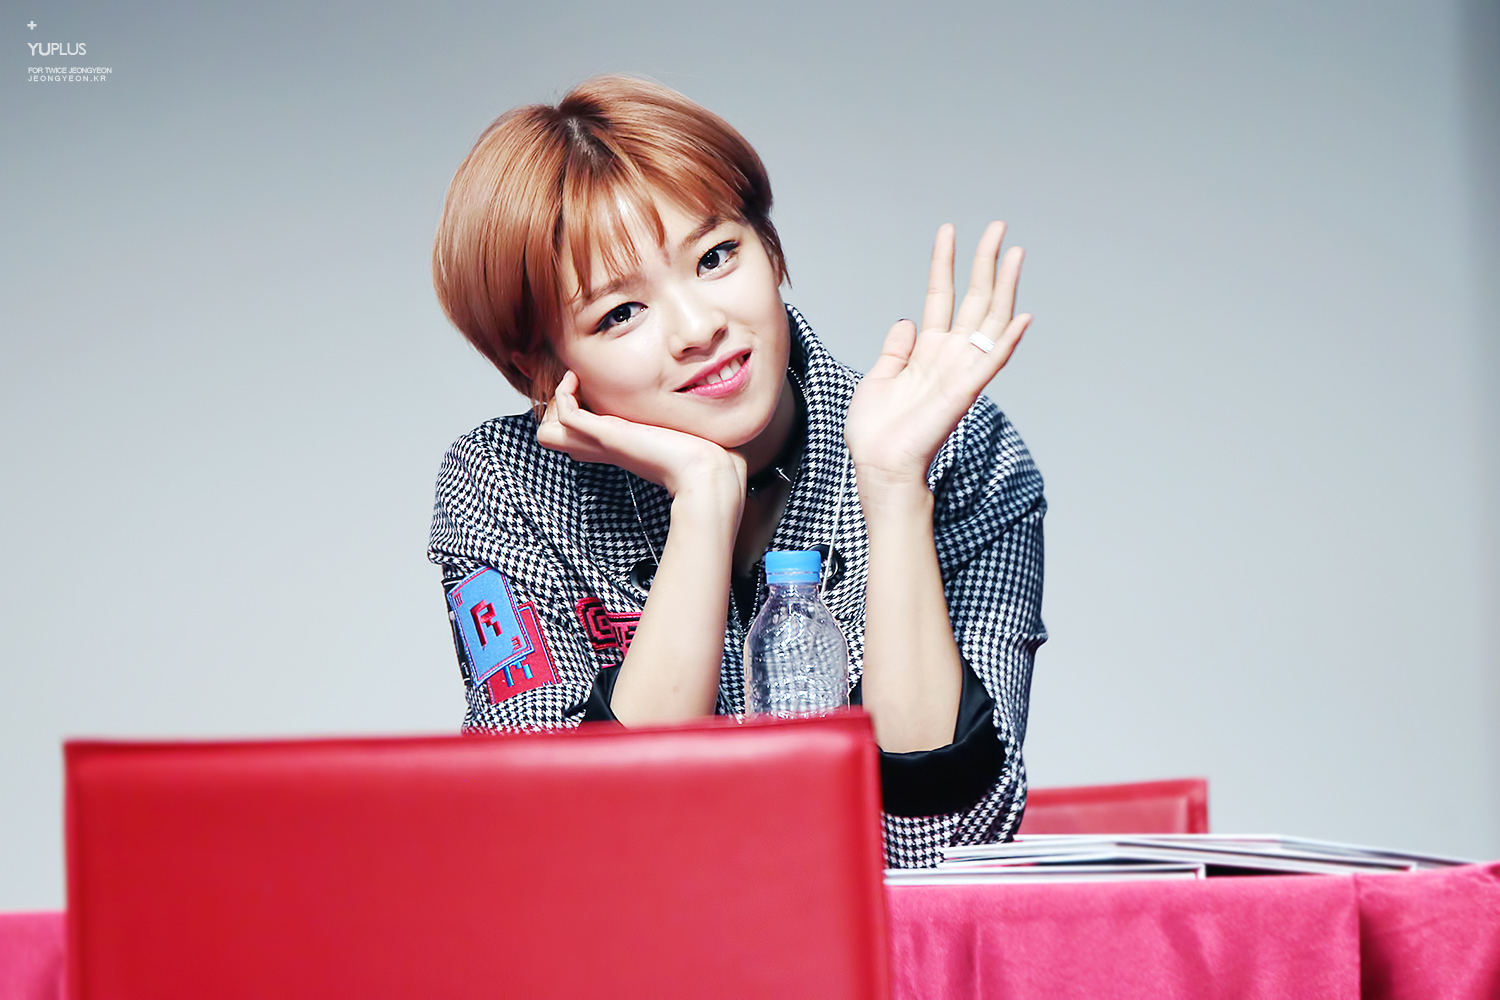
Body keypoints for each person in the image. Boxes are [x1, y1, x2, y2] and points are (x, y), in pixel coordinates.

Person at [428, 75, 1046, 867]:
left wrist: (895, 488)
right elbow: (561, 847)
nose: (698, 328)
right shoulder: (504, 485)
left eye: (716, 256)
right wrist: (701, 502)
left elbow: (947, 845)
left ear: (771, 248)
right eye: (620, 313)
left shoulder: (955, 449)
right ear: (541, 368)